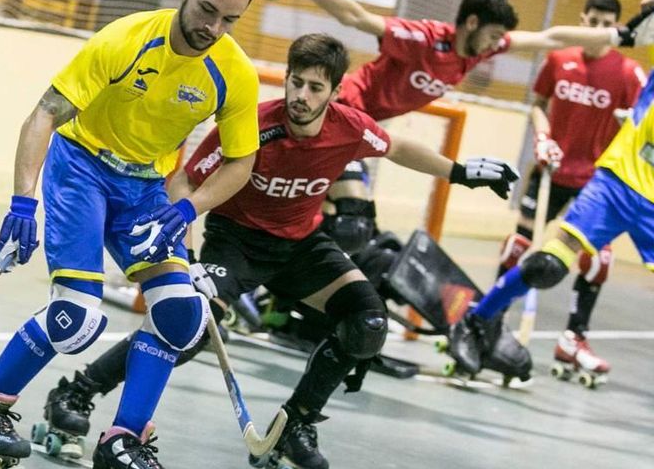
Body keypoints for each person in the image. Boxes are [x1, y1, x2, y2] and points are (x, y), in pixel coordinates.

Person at [42, 33, 518, 469]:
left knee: (368, 322)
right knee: (187, 327)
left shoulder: (349, 127)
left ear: (334, 93)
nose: (301, 96)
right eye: (296, 82)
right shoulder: (254, 126)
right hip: (238, 241)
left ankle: (296, 426)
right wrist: (185, 255)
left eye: (315, 88)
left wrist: (460, 172)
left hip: (301, 245)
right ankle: (79, 392)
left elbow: (395, 148)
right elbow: (187, 178)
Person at [0, 0, 262, 468]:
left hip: (145, 192)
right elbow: (45, 114)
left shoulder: (233, 72)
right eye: (207, 10)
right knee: (77, 318)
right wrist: (22, 203)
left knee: (182, 317)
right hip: (82, 169)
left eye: (230, 20)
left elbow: (241, 162)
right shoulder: (125, 39)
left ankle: (123, 440)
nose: (214, 28)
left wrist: (185, 210)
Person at [448, 0, 654, 379]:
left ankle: (575, 336)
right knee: (545, 264)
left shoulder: (627, 74)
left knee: (598, 264)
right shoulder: (572, 62)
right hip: (613, 183)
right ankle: (479, 320)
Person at [258, 0, 654, 121]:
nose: (501, 44)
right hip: (345, 111)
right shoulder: (426, 38)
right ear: (471, 24)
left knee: (348, 226)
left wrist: (620, 36)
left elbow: (551, 38)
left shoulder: (483, 49)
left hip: (369, 126)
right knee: (350, 223)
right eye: (496, 34)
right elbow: (358, 19)